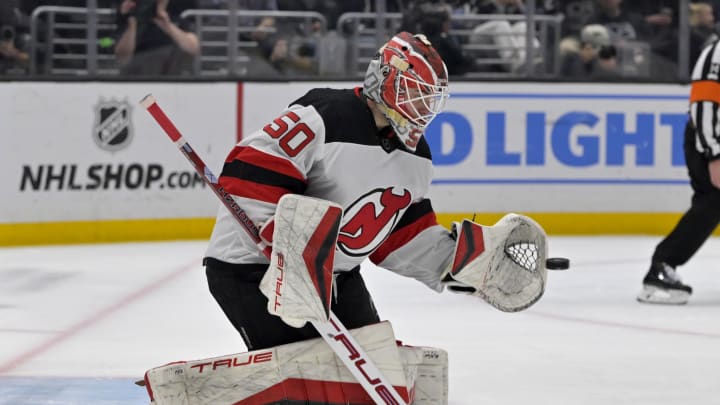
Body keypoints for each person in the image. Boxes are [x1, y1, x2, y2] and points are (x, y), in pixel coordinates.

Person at [637, 39, 720, 305]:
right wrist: (714, 152)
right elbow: (704, 103)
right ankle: (662, 266)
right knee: (713, 201)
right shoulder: (717, 53)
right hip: (709, 142)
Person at [114, 0, 199, 76]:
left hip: (171, 79)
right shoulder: (129, 20)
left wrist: (168, 26)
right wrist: (131, 25)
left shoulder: (175, 19)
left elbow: (193, 48)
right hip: (136, 79)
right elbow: (122, 57)